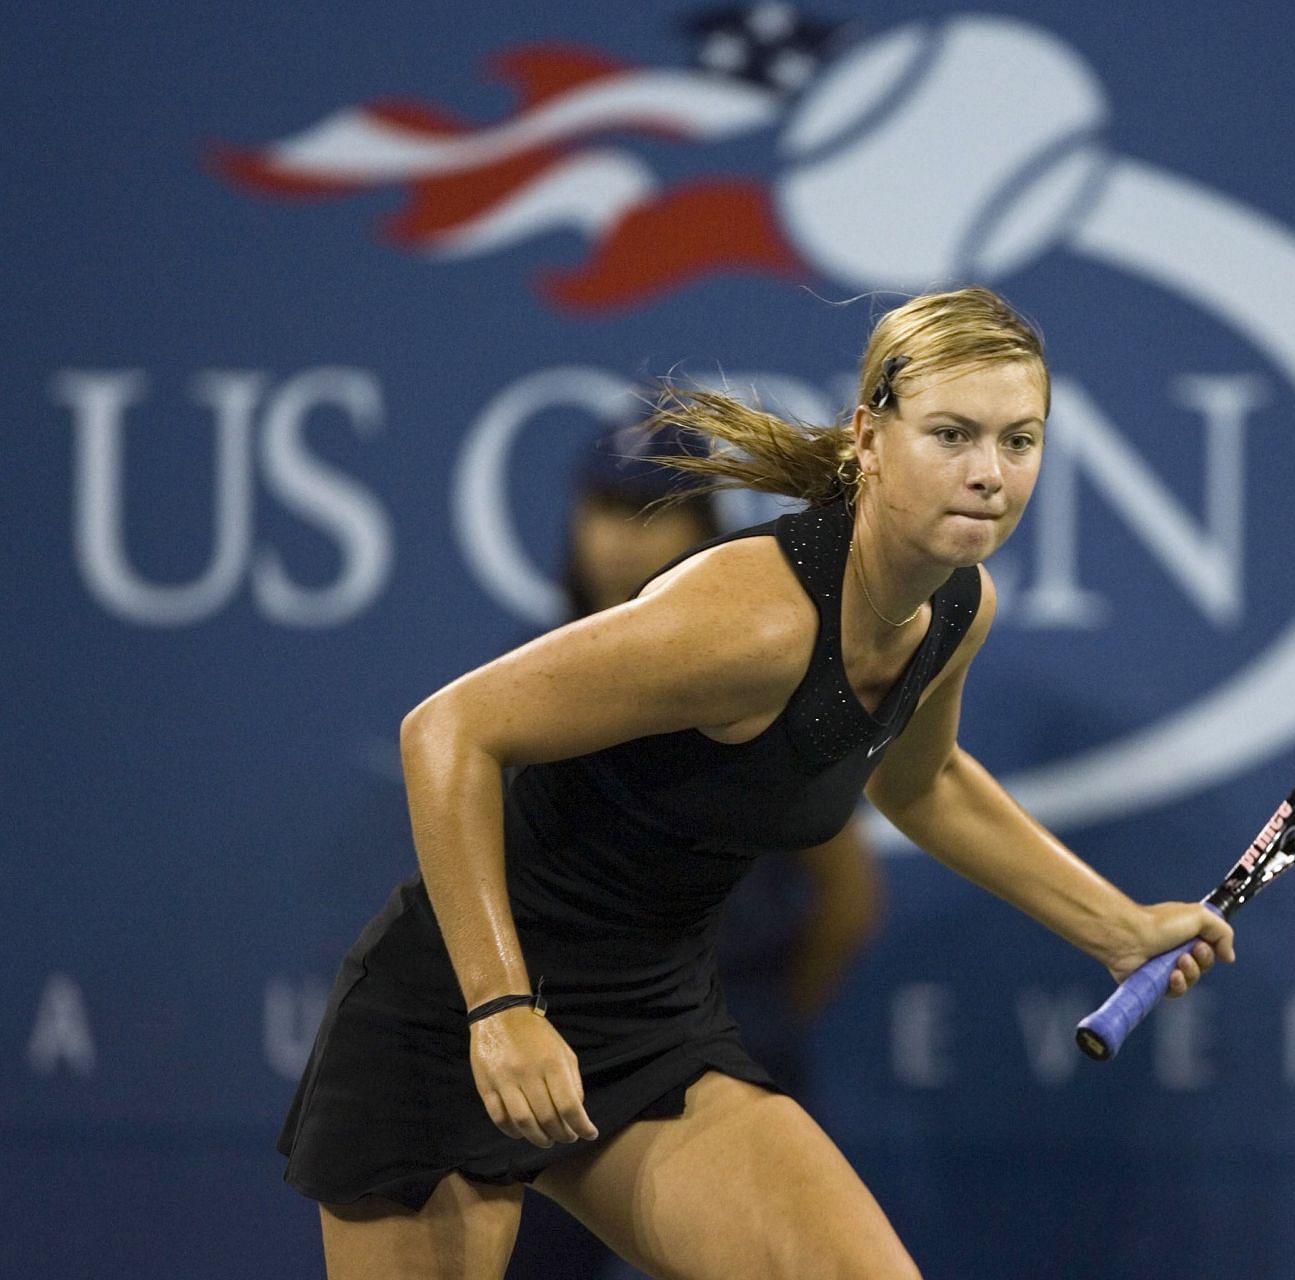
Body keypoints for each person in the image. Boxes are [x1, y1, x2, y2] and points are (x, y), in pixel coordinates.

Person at [278, 286, 1236, 1279]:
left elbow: (926, 781)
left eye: (1019, 439)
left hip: (652, 1020)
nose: (990, 474)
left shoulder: (954, 605)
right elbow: (448, 732)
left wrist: (1115, 924)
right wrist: (501, 1009)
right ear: (869, 435)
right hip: (455, 1015)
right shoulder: (755, 620)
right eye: (952, 434)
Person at [505, 426, 883, 1280]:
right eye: (604, 507)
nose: (620, 536)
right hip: (553, 1052)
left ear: (705, 530)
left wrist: (747, 1019)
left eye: (651, 510)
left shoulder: (763, 670)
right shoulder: (523, 683)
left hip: (725, 1033)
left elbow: (847, 897)